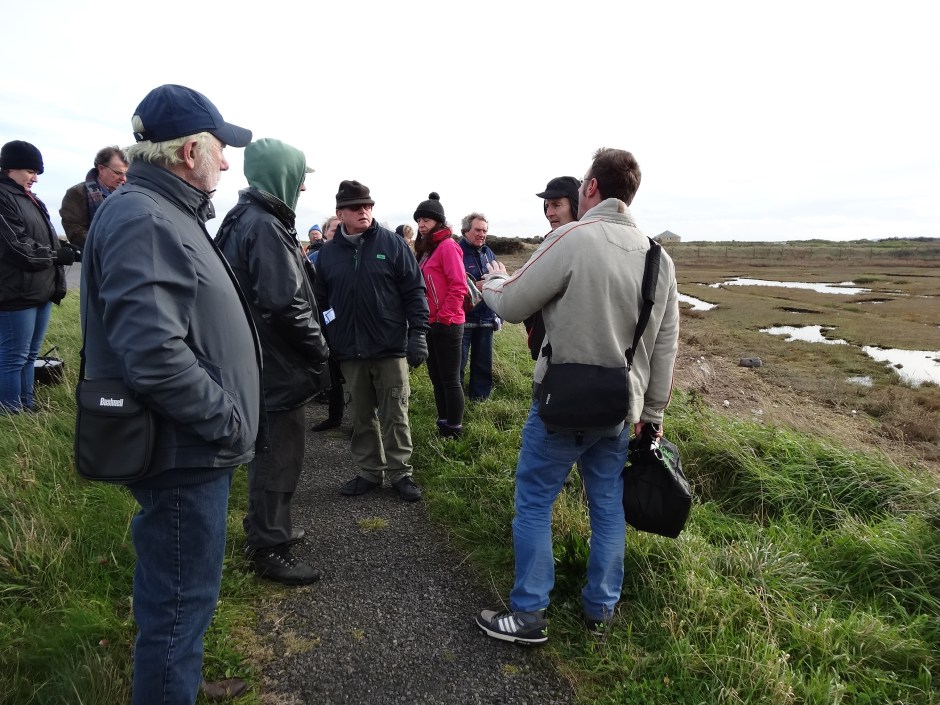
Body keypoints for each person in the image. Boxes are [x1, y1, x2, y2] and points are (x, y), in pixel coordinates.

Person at [80, 84, 261, 703]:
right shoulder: (144, 217)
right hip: (182, 450)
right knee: (177, 607)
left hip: (187, 443)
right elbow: (154, 355)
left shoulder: (163, 211)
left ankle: (178, 679)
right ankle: (168, 685)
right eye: (220, 149)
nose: (227, 162)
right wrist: (229, 422)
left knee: (180, 602)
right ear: (190, 151)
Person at [474, 148, 680, 644]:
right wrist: (650, 415)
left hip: (559, 406)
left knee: (534, 502)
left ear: (591, 188)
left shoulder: (572, 238)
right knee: (606, 503)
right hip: (617, 410)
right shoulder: (659, 257)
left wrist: (491, 279)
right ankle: (600, 608)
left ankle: (528, 614)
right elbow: (666, 345)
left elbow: (513, 302)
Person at [215, 137, 329, 585]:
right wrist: (320, 348)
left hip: (256, 359)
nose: (301, 188)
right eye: (298, 178)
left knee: (270, 452)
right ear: (284, 176)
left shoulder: (243, 217)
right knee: (278, 455)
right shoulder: (263, 225)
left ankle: (269, 527)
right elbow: (283, 303)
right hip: (274, 365)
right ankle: (268, 547)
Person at [313, 180, 429, 501]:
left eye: (367, 205)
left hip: (390, 348)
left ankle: (400, 474)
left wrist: (418, 333)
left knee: (396, 415)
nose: (363, 211)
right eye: (355, 207)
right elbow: (322, 302)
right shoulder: (328, 255)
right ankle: (368, 472)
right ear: (340, 213)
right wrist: (329, 336)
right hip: (349, 352)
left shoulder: (392, 244)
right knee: (361, 416)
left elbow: (414, 291)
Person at [0, 140, 76, 414]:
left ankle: (27, 406)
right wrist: (56, 257)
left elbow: (42, 238)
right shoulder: (3, 197)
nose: (34, 178)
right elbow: (17, 246)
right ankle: (10, 413)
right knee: (13, 358)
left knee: (30, 356)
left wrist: (64, 249)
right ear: (10, 167)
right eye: (30, 171)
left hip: (40, 291)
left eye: (37, 173)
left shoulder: (31, 199)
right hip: (16, 293)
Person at [414, 193, 466, 437]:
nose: (421, 225)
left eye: (426, 220)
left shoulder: (447, 247)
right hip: (431, 323)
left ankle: (454, 428)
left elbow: (458, 285)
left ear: (438, 222)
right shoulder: (427, 250)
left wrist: (445, 317)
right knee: (436, 377)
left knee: (450, 379)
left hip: (448, 323)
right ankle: (443, 421)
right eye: (419, 220)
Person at [524, 176, 581, 360]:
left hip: (572, 356)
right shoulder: (550, 243)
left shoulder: (584, 244)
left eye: (556, 205)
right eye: (547, 206)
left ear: (575, 204)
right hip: (548, 350)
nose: (549, 213)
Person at [458, 212, 499, 401]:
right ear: (466, 230)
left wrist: (498, 315)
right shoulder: (456, 251)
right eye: (477, 230)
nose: (481, 234)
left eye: (484, 230)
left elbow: (498, 280)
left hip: (486, 319)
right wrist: (476, 287)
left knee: (483, 364)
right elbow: (453, 283)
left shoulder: (488, 252)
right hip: (463, 320)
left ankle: (480, 401)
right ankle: (455, 400)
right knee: (458, 365)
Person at [59, 145, 129, 248]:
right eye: (118, 173)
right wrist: (111, 245)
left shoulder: (128, 194)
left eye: (126, 174)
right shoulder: (77, 193)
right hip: (98, 257)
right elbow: (75, 233)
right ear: (101, 169)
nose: (123, 178)